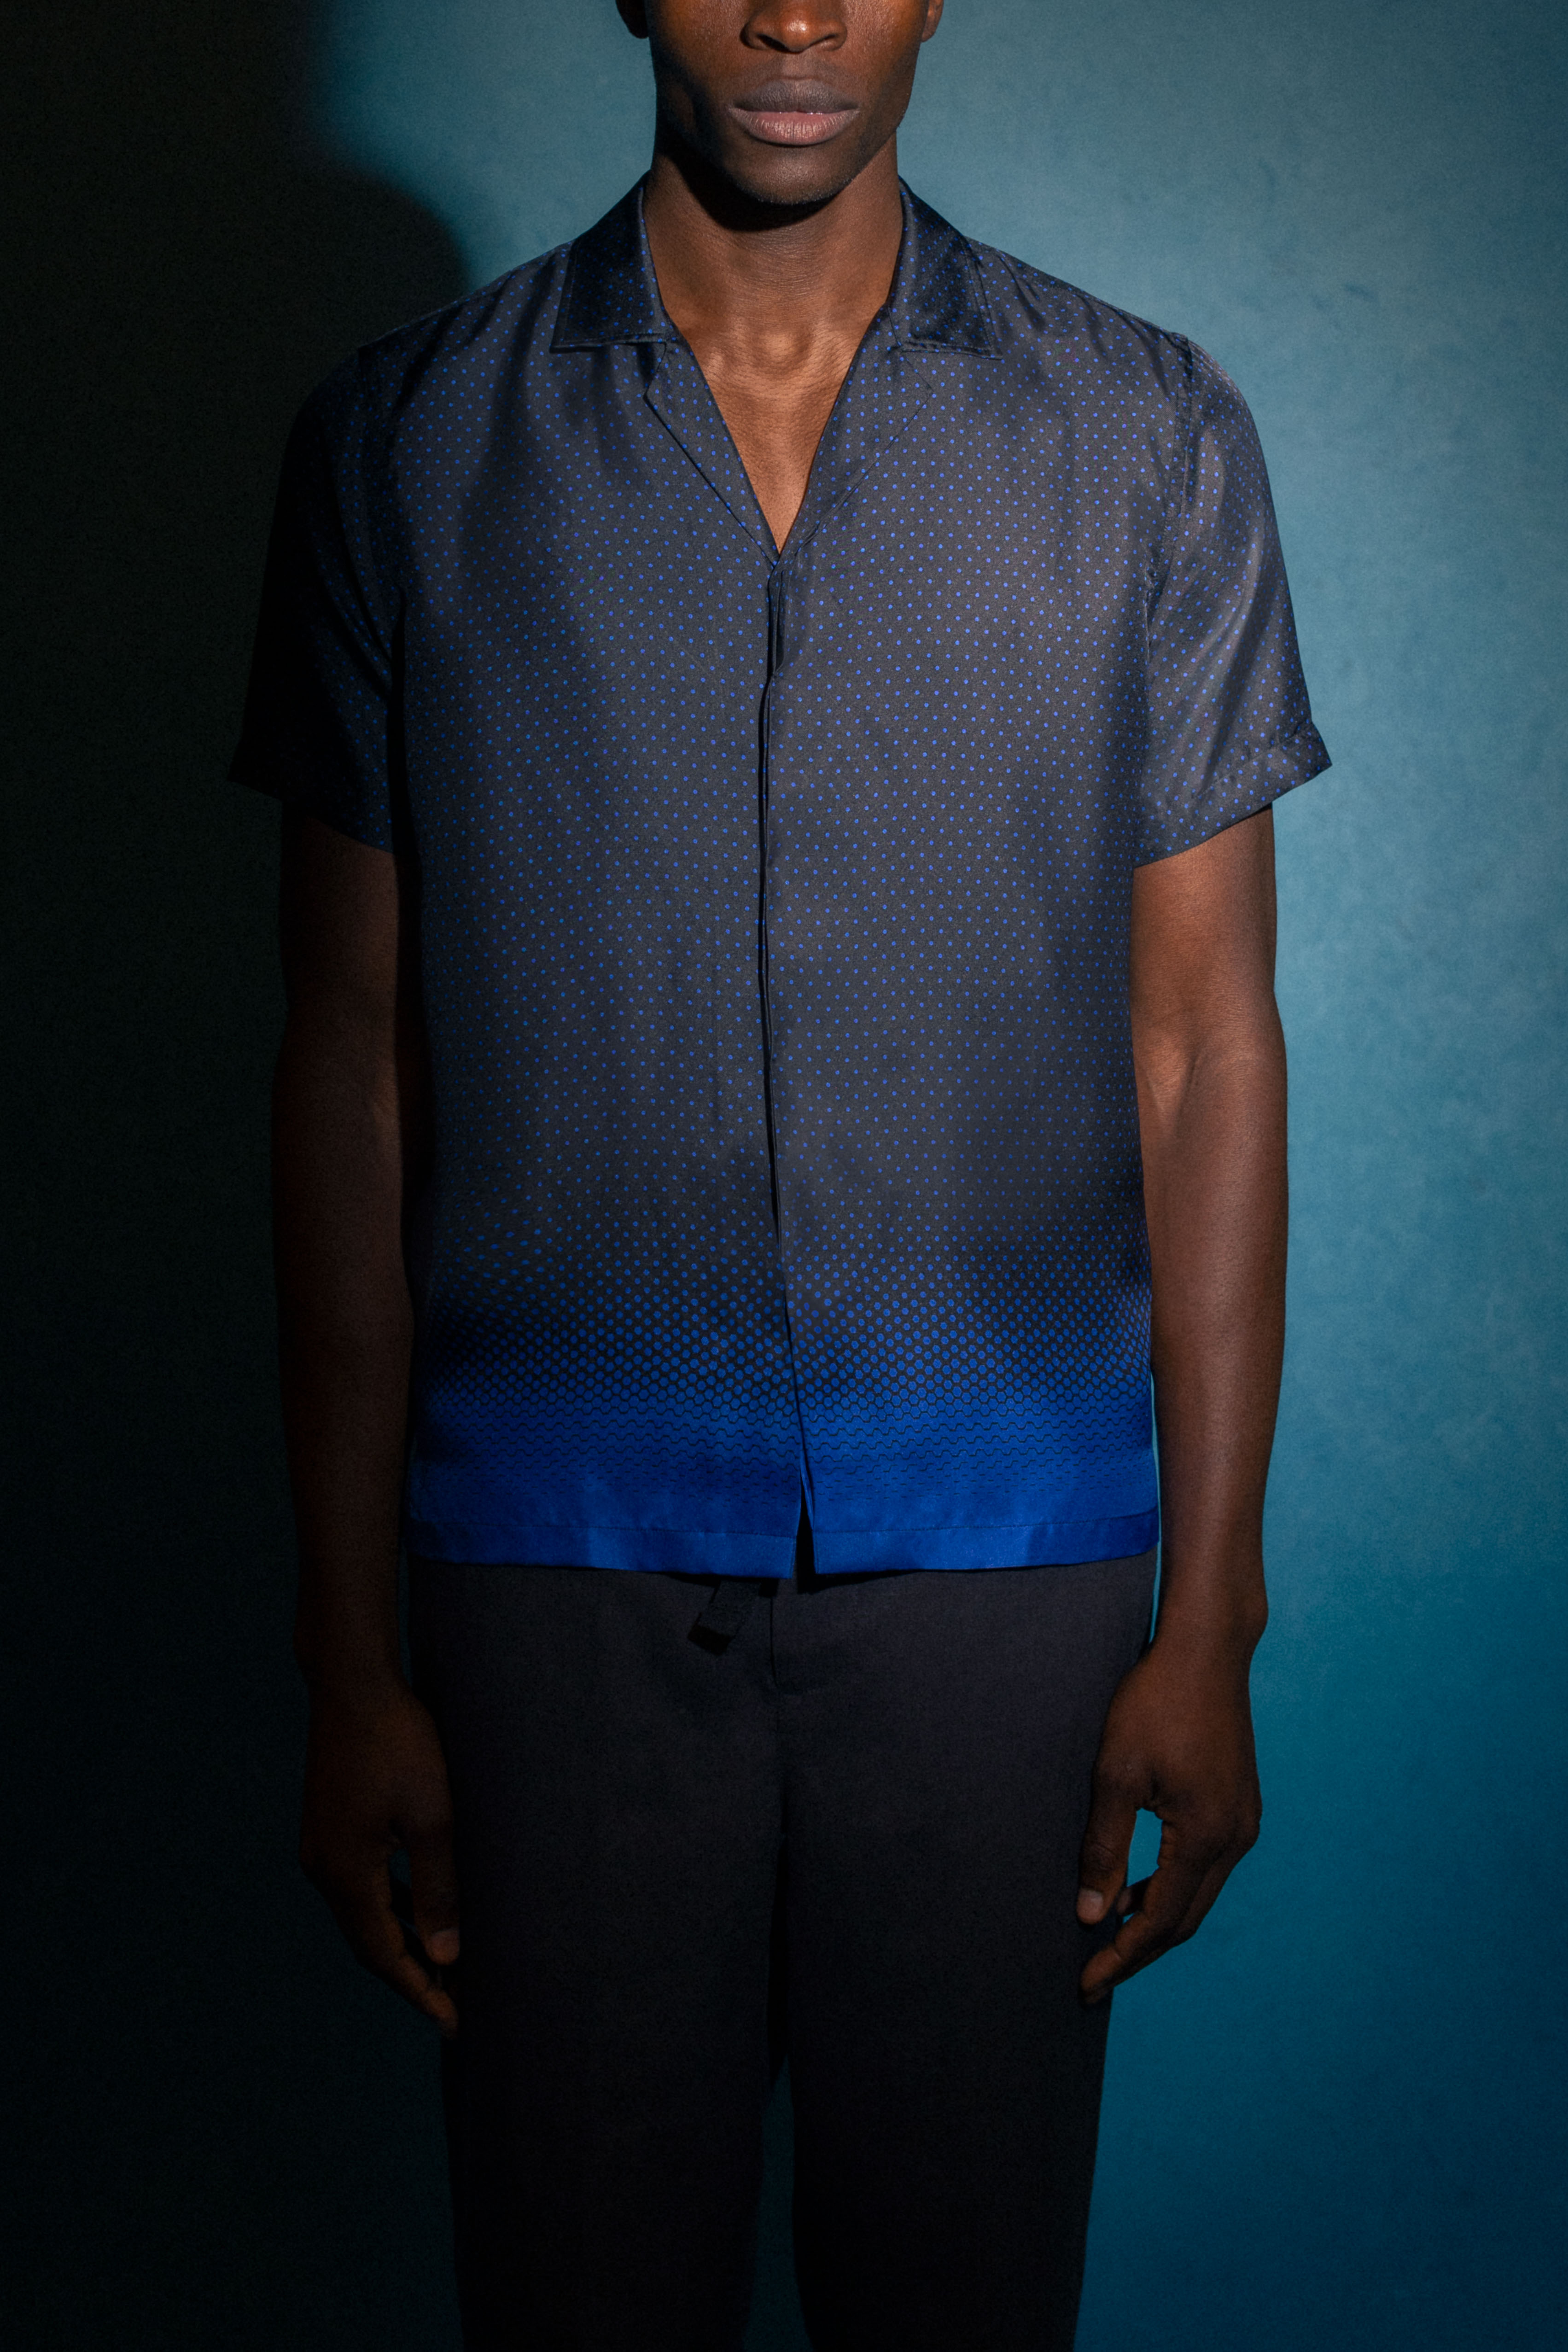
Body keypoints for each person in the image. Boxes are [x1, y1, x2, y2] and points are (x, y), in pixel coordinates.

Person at [233, 2, 1329, 2344]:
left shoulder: (1148, 434)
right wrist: (346, 1651)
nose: (798, 10)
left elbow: (1204, 1045)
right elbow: (352, 1066)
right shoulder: (404, 443)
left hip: (1009, 1591)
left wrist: (1213, 1618)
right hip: (550, 1582)